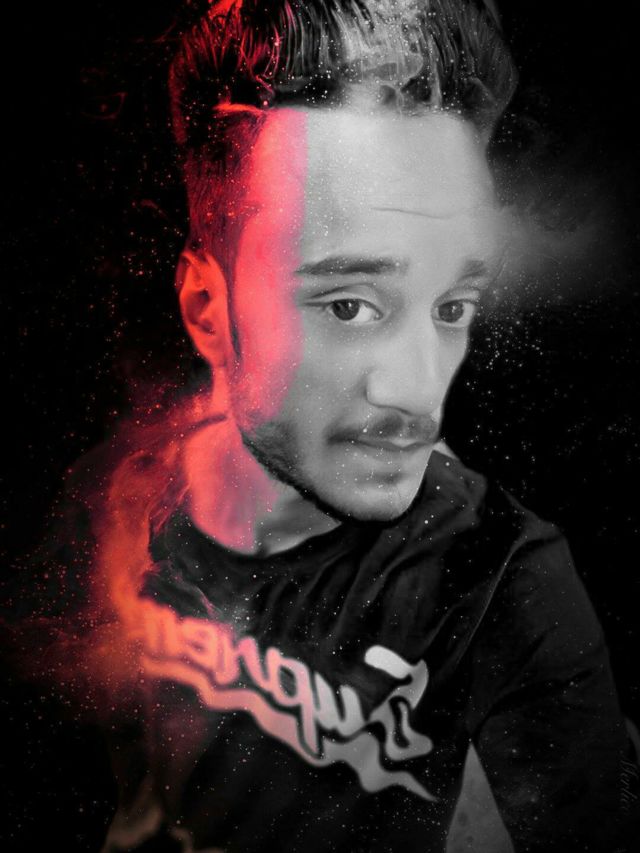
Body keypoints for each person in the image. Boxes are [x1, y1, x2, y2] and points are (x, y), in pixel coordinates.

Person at [16, 1, 639, 851]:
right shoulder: (106, 513)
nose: (419, 389)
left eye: (451, 306)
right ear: (208, 309)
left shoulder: (498, 579)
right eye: (350, 304)